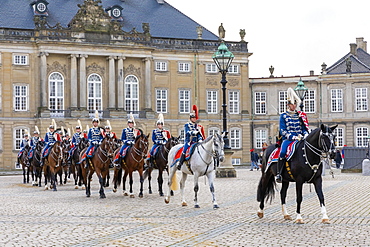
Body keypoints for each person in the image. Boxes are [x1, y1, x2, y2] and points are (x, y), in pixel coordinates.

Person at [276, 88, 309, 183]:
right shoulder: (284, 116)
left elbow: (303, 127)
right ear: (288, 105)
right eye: (292, 104)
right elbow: (283, 130)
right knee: (282, 152)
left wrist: (305, 134)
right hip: (289, 139)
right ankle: (279, 173)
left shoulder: (300, 115)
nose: (294, 106)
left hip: (300, 138)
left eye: (295, 104)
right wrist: (292, 137)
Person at [177, 105, 205, 170]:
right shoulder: (187, 125)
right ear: (190, 118)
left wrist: (200, 139)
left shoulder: (198, 126)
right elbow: (187, 132)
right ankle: (180, 164)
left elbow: (199, 134)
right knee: (184, 150)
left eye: (195, 118)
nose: (194, 119)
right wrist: (192, 132)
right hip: (189, 142)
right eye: (193, 118)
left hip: (196, 142)